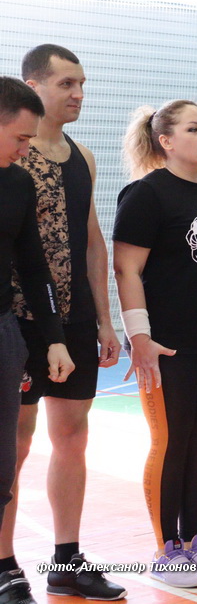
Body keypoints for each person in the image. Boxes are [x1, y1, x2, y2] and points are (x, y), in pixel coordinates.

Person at [0, 45, 125, 601]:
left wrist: (105, 319)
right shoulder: (12, 158)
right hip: (18, 318)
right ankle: (4, 564)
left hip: (71, 318)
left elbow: (93, 242)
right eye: (66, 83)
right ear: (34, 86)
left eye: (82, 84)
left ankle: (67, 559)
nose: (78, 94)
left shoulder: (83, 157)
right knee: (14, 442)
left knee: (72, 435)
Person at [114, 100, 197, 588]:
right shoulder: (146, 195)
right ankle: (166, 548)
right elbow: (126, 269)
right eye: (193, 129)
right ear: (166, 141)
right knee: (171, 442)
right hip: (167, 346)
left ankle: (195, 542)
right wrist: (139, 337)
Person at [0, 77, 75, 604]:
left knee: (3, 465)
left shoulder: (18, 184)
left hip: (4, 331)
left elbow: (33, 266)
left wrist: (53, 339)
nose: (27, 150)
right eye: (20, 138)